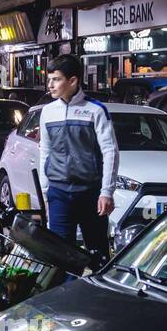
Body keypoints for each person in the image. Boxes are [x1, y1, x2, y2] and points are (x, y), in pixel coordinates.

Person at [37, 55, 118, 254]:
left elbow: (110, 151)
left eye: (56, 79)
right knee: (60, 255)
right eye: (49, 80)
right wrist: (45, 191)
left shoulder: (96, 111)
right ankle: (67, 286)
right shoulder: (47, 112)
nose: (50, 85)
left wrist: (106, 192)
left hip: (90, 193)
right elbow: (45, 152)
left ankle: (95, 286)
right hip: (58, 193)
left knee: (97, 252)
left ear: (72, 81)